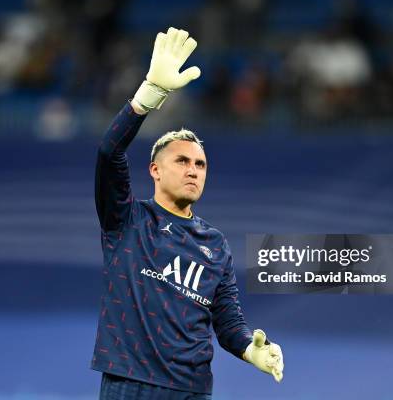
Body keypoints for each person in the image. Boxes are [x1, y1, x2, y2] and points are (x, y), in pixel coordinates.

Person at [92, 27, 284, 399]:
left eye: (200, 164)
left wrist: (251, 349)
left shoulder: (215, 244)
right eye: (182, 160)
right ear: (155, 170)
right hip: (131, 383)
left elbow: (228, 322)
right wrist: (148, 95)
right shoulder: (126, 220)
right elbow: (108, 152)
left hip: (192, 391)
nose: (193, 170)